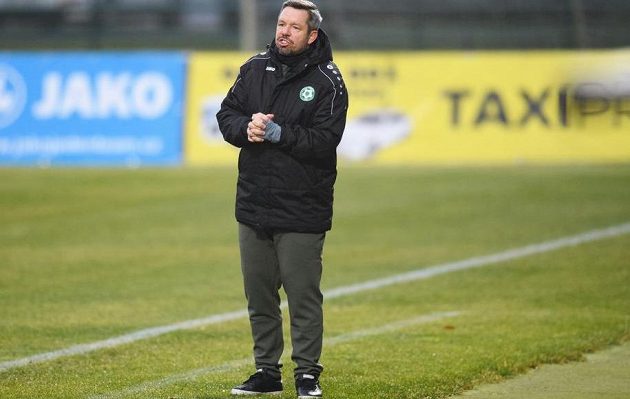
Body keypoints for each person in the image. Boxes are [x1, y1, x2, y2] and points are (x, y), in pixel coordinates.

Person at [216, 0, 348, 397]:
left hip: (302, 207)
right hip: (255, 203)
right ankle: (266, 372)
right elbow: (226, 115)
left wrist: (279, 133)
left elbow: (326, 140)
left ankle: (307, 373)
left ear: (312, 35)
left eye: (294, 26)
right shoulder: (255, 68)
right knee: (259, 295)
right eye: (280, 23)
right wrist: (247, 128)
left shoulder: (328, 81)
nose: (283, 32)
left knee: (302, 296)